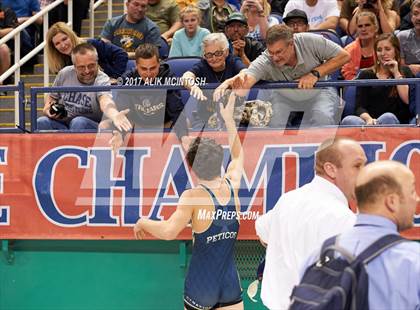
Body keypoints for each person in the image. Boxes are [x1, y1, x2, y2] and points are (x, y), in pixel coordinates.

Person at [133, 91, 245, 310]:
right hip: (230, 281)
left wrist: (142, 222)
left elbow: (168, 232)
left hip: (201, 285)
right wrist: (229, 119)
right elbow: (239, 155)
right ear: (219, 161)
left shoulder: (192, 197)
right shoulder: (233, 185)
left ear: (192, 167)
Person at [254, 137, 367, 309]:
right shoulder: (344, 219)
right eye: (357, 166)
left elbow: (261, 230)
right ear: (330, 169)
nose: (365, 173)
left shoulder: (288, 200)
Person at [301, 160, 420, 310]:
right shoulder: (413, 260)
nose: (416, 199)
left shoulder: (318, 255)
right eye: (412, 191)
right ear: (392, 201)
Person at [215, 24, 350, 127]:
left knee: (323, 117)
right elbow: (248, 78)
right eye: (271, 52)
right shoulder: (267, 58)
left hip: (320, 91)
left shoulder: (310, 41)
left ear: (291, 44)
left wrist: (315, 73)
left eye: (279, 52)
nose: (275, 57)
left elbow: (344, 56)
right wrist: (234, 81)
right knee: (275, 121)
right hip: (285, 97)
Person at [109, 43, 190, 151]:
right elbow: (122, 110)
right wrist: (119, 134)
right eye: (143, 69)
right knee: (107, 125)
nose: (148, 73)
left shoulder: (168, 77)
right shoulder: (127, 80)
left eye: (152, 68)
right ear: (136, 65)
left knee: (185, 123)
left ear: (159, 63)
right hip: (138, 125)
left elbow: (176, 110)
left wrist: (184, 137)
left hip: (164, 125)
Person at [37, 43, 132, 132]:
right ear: (74, 66)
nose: (87, 71)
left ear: (97, 62)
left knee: (78, 122)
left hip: (88, 125)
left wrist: (114, 115)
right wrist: (47, 108)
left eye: (91, 66)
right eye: (81, 67)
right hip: (63, 122)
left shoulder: (102, 79)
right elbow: (52, 96)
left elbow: (105, 101)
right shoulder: (64, 73)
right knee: (41, 122)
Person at [341, 33, 414, 125]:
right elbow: (360, 107)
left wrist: (396, 73)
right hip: (370, 121)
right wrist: (369, 119)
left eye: (387, 49)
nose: (383, 53)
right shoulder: (366, 74)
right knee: (348, 120)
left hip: (396, 122)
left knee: (387, 117)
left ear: (396, 51)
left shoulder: (405, 72)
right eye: (379, 50)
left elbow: (407, 100)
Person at [182, 33, 246, 129]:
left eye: (218, 53)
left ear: (226, 52)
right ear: (204, 55)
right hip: (205, 118)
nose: (214, 58)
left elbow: (246, 73)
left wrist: (227, 83)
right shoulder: (203, 65)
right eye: (209, 55)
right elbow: (186, 77)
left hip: (233, 115)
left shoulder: (232, 61)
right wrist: (193, 86)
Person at [46, 22, 128, 81]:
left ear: (71, 36)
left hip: (105, 89)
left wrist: (115, 78)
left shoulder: (92, 44)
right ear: (54, 47)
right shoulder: (59, 63)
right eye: (57, 43)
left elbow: (121, 54)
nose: (63, 45)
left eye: (64, 39)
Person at [341, 11, 378, 80]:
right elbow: (348, 75)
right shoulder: (349, 50)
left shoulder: (383, 46)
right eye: (360, 26)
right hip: (356, 86)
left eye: (367, 25)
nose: (363, 29)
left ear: (376, 28)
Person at [398, 0, 420, 76]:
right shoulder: (401, 37)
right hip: (408, 79)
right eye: (415, 14)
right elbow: (400, 67)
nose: (418, 18)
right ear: (411, 16)